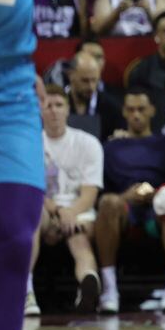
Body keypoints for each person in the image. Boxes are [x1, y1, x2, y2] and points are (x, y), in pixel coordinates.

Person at [96, 89, 165, 313]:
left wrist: (157, 194)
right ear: (124, 113)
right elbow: (99, 190)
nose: (136, 115)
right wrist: (125, 197)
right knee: (108, 203)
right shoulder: (109, 148)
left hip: (158, 206)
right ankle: (108, 289)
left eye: (141, 109)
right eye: (131, 110)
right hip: (123, 208)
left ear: (152, 111)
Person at [29, 85, 103, 315]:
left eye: (59, 105)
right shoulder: (28, 144)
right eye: (48, 106)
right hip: (42, 207)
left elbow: (90, 193)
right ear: (40, 110)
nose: (53, 111)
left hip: (78, 208)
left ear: (68, 109)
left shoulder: (88, 142)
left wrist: (69, 213)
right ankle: (25, 291)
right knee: (30, 216)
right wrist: (59, 211)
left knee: (78, 236)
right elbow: (31, 190)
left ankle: (88, 283)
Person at [67, 50, 123, 140]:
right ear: (71, 75)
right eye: (85, 80)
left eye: (94, 80)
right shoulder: (56, 104)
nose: (91, 87)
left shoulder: (112, 108)